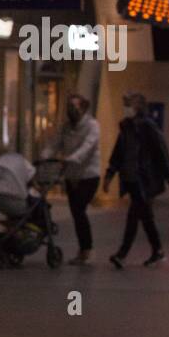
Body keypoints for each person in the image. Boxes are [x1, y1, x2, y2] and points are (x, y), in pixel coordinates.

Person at [103, 92, 169, 268]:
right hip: (131, 179)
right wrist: (110, 175)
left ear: (138, 107)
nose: (126, 108)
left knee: (134, 216)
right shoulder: (125, 128)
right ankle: (157, 250)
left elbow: (161, 152)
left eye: (129, 105)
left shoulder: (148, 127)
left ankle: (123, 253)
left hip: (145, 180)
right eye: (125, 104)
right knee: (145, 217)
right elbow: (118, 153)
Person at [42, 93, 101, 264]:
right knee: (76, 212)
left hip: (88, 175)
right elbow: (54, 144)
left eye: (74, 107)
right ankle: (84, 249)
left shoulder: (92, 126)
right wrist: (45, 156)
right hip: (71, 176)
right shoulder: (66, 127)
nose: (70, 111)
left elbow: (87, 147)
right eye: (68, 107)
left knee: (79, 210)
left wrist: (71, 158)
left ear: (83, 108)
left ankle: (87, 249)